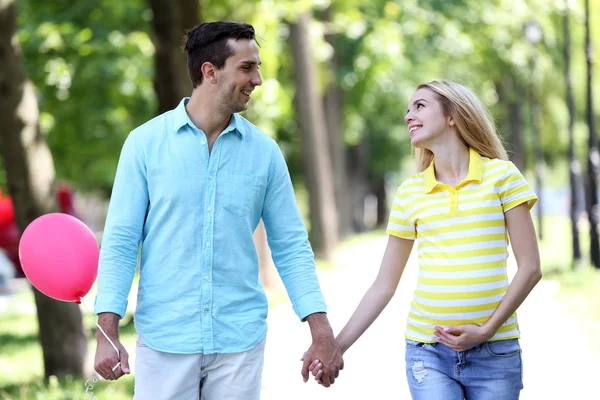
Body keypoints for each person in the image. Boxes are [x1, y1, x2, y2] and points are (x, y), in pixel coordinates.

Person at [93, 21, 343, 400]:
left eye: (257, 67)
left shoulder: (265, 153)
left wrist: (321, 330)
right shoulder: (143, 145)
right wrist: (106, 331)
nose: (257, 79)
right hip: (165, 339)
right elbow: (121, 242)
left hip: (238, 340)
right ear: (209, 72)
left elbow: (291, 246)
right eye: (247, 67)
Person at [309, 80, 541, 399]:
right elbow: (383, 286)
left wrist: (486, 330)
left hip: (495, 354)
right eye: (407, 109)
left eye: (419, 106)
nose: (408, 116)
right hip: (428, 354)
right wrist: (338, 347)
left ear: (452, 116)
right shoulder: (410, 193)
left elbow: (530, 268)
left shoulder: (503, 177)